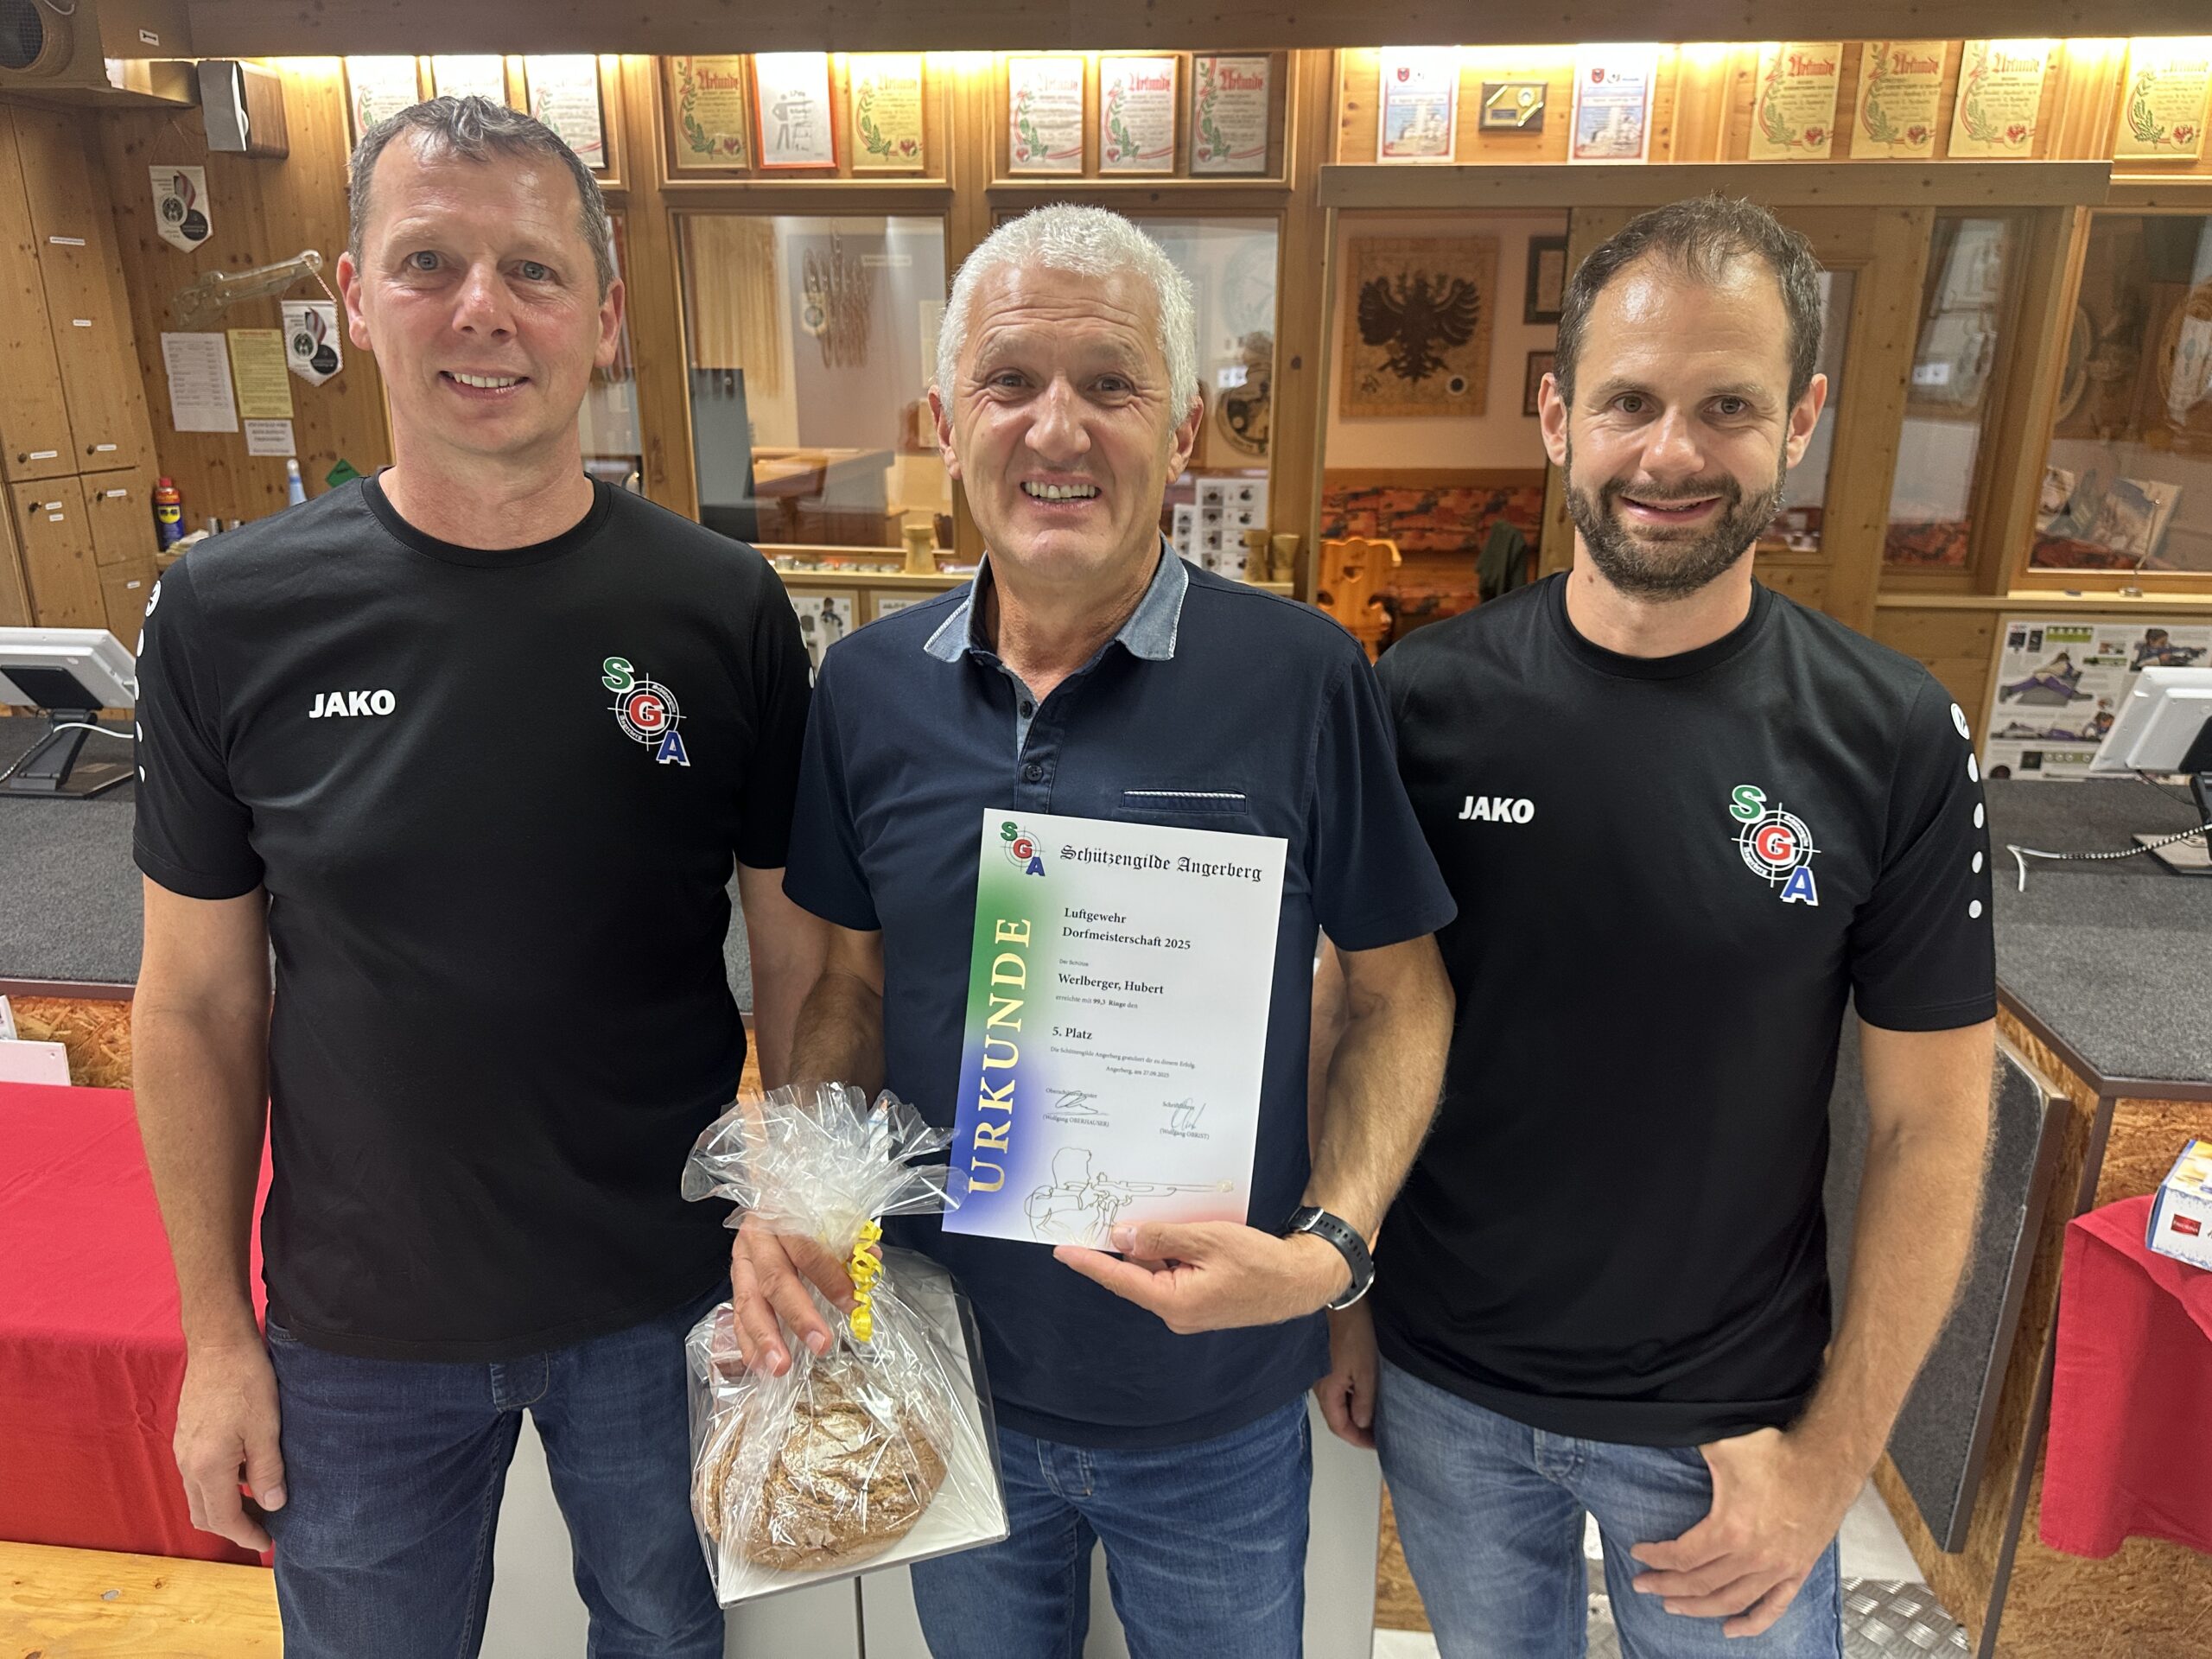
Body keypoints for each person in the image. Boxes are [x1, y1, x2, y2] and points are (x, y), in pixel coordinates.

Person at [130, 96, 821, 1659]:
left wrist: (791, 1219)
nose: (482, 311)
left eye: (532, 269)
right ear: (354, 295)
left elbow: (799, 959)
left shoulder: (721, 609)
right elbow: (194, 1008)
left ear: (605, 316)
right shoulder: (229, 615)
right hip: (358, 1331)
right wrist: (216, 1340)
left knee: (668, 1638)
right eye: (428, 261)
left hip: (664, 1301)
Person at [733, 205, 1457, 1657]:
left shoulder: (1304, 679)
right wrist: (798, 1184)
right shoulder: (866, 691)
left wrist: (1335, 1254)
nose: (1055, 429)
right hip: (944, 1378)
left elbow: (1400, 994)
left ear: (1179, 433)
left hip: (1214, 1409)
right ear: (948, 422)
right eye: (1010, 382)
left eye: (1109, 385)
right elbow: (849, 984)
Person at [1314, 197, 1996, 1658]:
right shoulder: (1417, 705)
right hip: (1449, 1395)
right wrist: (1347, 1293)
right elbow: (1358, 1016)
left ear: (1801, 419)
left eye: (1727, 406)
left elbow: (1934, 1129)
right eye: (1629, 401)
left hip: (1729, 1431)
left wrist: (1831, 1462)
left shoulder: (1890, 739)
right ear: (1558, 416)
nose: (1671, 454)